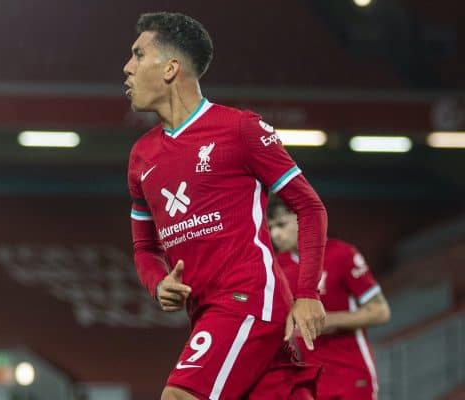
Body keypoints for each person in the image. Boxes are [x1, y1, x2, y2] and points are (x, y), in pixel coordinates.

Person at [125, 12, 328, 400]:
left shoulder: (240, 130)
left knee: (180, 397)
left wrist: (308, 293)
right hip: (205, 310)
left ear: (170, 68)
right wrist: (158, 283)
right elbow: (145, 248)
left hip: (246, 298)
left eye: (137, 55)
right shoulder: (141, 157)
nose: (127, 67)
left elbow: (309, 207)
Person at [267, 194, 391, 400]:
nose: (276, 234)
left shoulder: (341, 253)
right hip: (311, 380)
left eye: (281, 224)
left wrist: (330, 320)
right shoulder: (277, 267)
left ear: (301, 218)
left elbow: (380, 311)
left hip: (352, 372)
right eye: (271, 228)